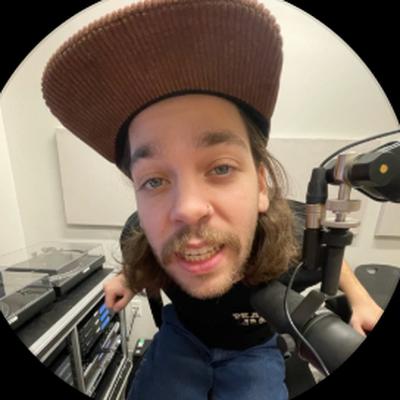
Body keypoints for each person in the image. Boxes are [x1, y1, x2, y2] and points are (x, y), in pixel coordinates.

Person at [41, 1, 382, 398]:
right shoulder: (139, 230)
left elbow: (332, 260)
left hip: (253, 349)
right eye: (154, 180)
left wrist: (362, 302)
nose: (186, 210)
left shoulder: (295, 230)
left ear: (260, 186)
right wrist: (127, 280)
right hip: (183, 337)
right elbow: (145, 257)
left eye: (220, 168)